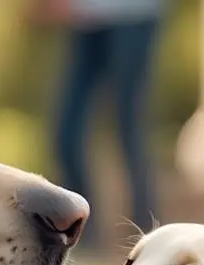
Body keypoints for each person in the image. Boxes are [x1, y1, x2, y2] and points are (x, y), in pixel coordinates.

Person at [29, 0, 165, 247]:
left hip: (133, 15)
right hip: (85, 21)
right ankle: (76, 227)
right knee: (66, 130)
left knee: (129, 127)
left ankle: (148, 231)